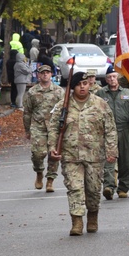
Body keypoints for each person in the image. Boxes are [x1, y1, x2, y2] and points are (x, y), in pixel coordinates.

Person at [49, 71, 118, 236]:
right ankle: (77, 221)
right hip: (70, 155)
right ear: (73, 86)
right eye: (79, 84)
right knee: (75, 188)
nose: (82, 87)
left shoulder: (100, 104)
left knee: (93, 189)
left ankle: (92, 215)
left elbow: (110, 129)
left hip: (94, 155)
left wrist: (111, 151)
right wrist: (52, 146)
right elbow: (53, 128)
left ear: (90, 85)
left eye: (85, 84)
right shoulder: (62, 106)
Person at [23, 64, 64, 191]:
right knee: (37, 153)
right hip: (38, 126)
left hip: (54, 127)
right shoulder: (32, 92)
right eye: (43, 72)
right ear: (39, 75)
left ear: (51, 74)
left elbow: (64, 110)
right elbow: (27, 112)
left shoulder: (59, 91)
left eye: (48, 72)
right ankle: (39, 172)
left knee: (54, 154)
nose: (45, 74)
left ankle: (50, 180)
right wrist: (27, 129)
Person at [97, 67, 129, 200]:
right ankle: (109, 187)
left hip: (125, 129)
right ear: (106, 79)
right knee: (109, 159)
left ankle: (123, 188)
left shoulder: (127, 92)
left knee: (127, 161)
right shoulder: (100, 94)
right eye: (109, 77)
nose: (112, 79)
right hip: (107, 131)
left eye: (114, 76)